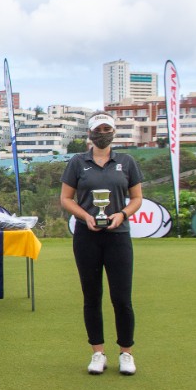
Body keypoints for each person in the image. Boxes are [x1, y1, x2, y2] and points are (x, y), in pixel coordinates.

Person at [59, 113, 143, 376]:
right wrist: (85, 216)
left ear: (114, 132)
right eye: (98, 129)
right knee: (92, 296)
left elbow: (137, 198)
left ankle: (126, 353)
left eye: (107, 129)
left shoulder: (127, 162)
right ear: (90, 133)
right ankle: (98, 353)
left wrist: (122, 214)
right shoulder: (77, 162)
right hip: (87, 236)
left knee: (121, 298)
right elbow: (66, 198)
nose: (103, 133)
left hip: (118, 236)